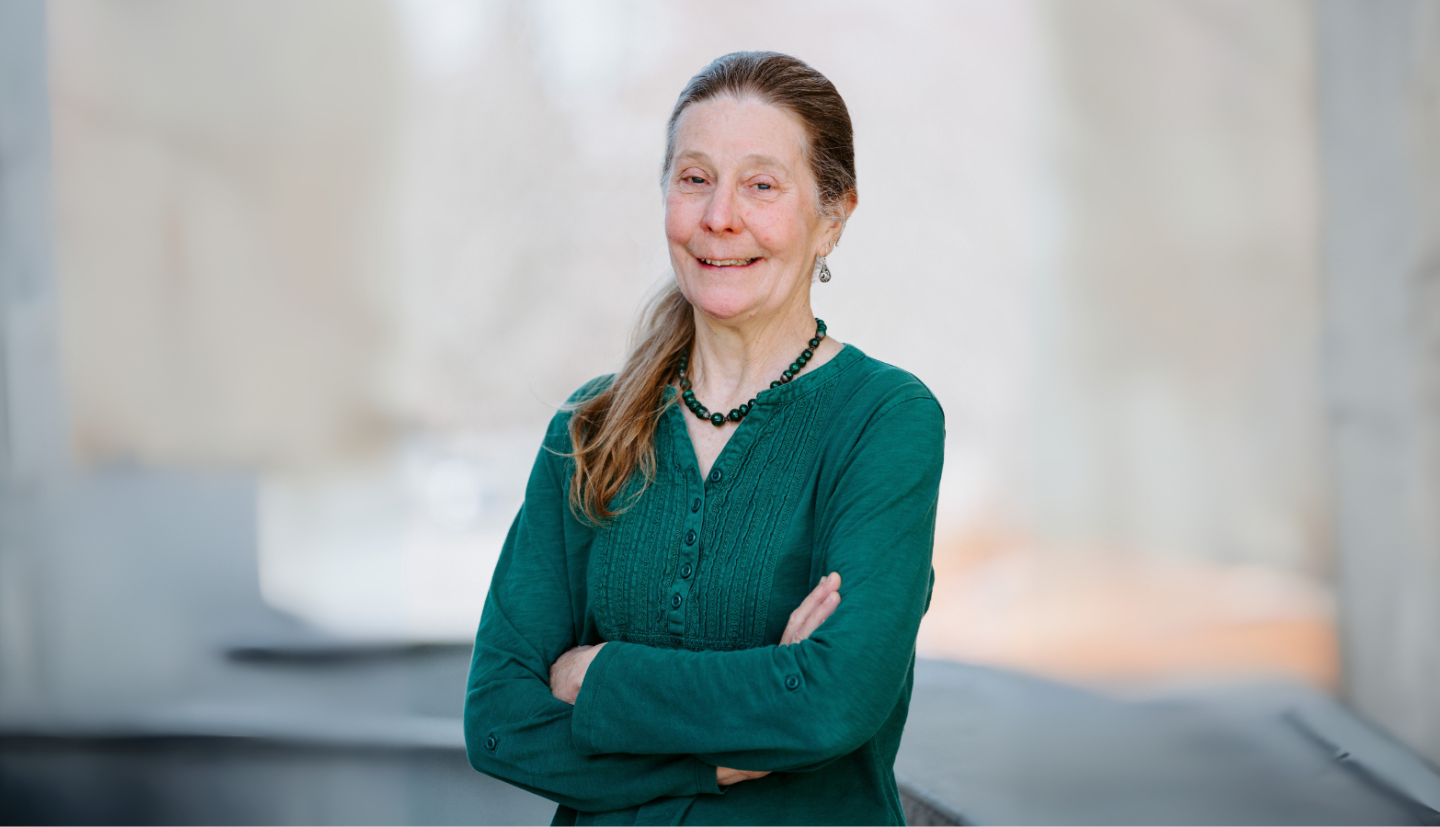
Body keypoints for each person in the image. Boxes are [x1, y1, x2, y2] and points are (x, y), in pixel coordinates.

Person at [464, 51, 944, 826]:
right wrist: (727, 752)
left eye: (761, 184)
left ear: (832, 216)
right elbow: (498, 720)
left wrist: (600, 674)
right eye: (695, 179)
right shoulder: (589, 428)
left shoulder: (884, 419)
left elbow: (832, 700)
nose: (720, 216)